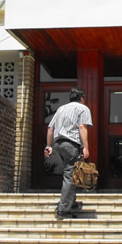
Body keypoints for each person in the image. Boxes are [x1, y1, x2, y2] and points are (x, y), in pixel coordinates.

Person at [44, 87, 93, 220]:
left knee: (71, 173)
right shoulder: (83, 108)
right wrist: (86, 147)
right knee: (70, 176)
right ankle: (63, 211)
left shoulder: (61, 109)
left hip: (58, 144)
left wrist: (48, 146)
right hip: (71, 144)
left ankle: (72, 202)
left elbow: (50, 128)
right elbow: (82, 127)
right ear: (81, 98)